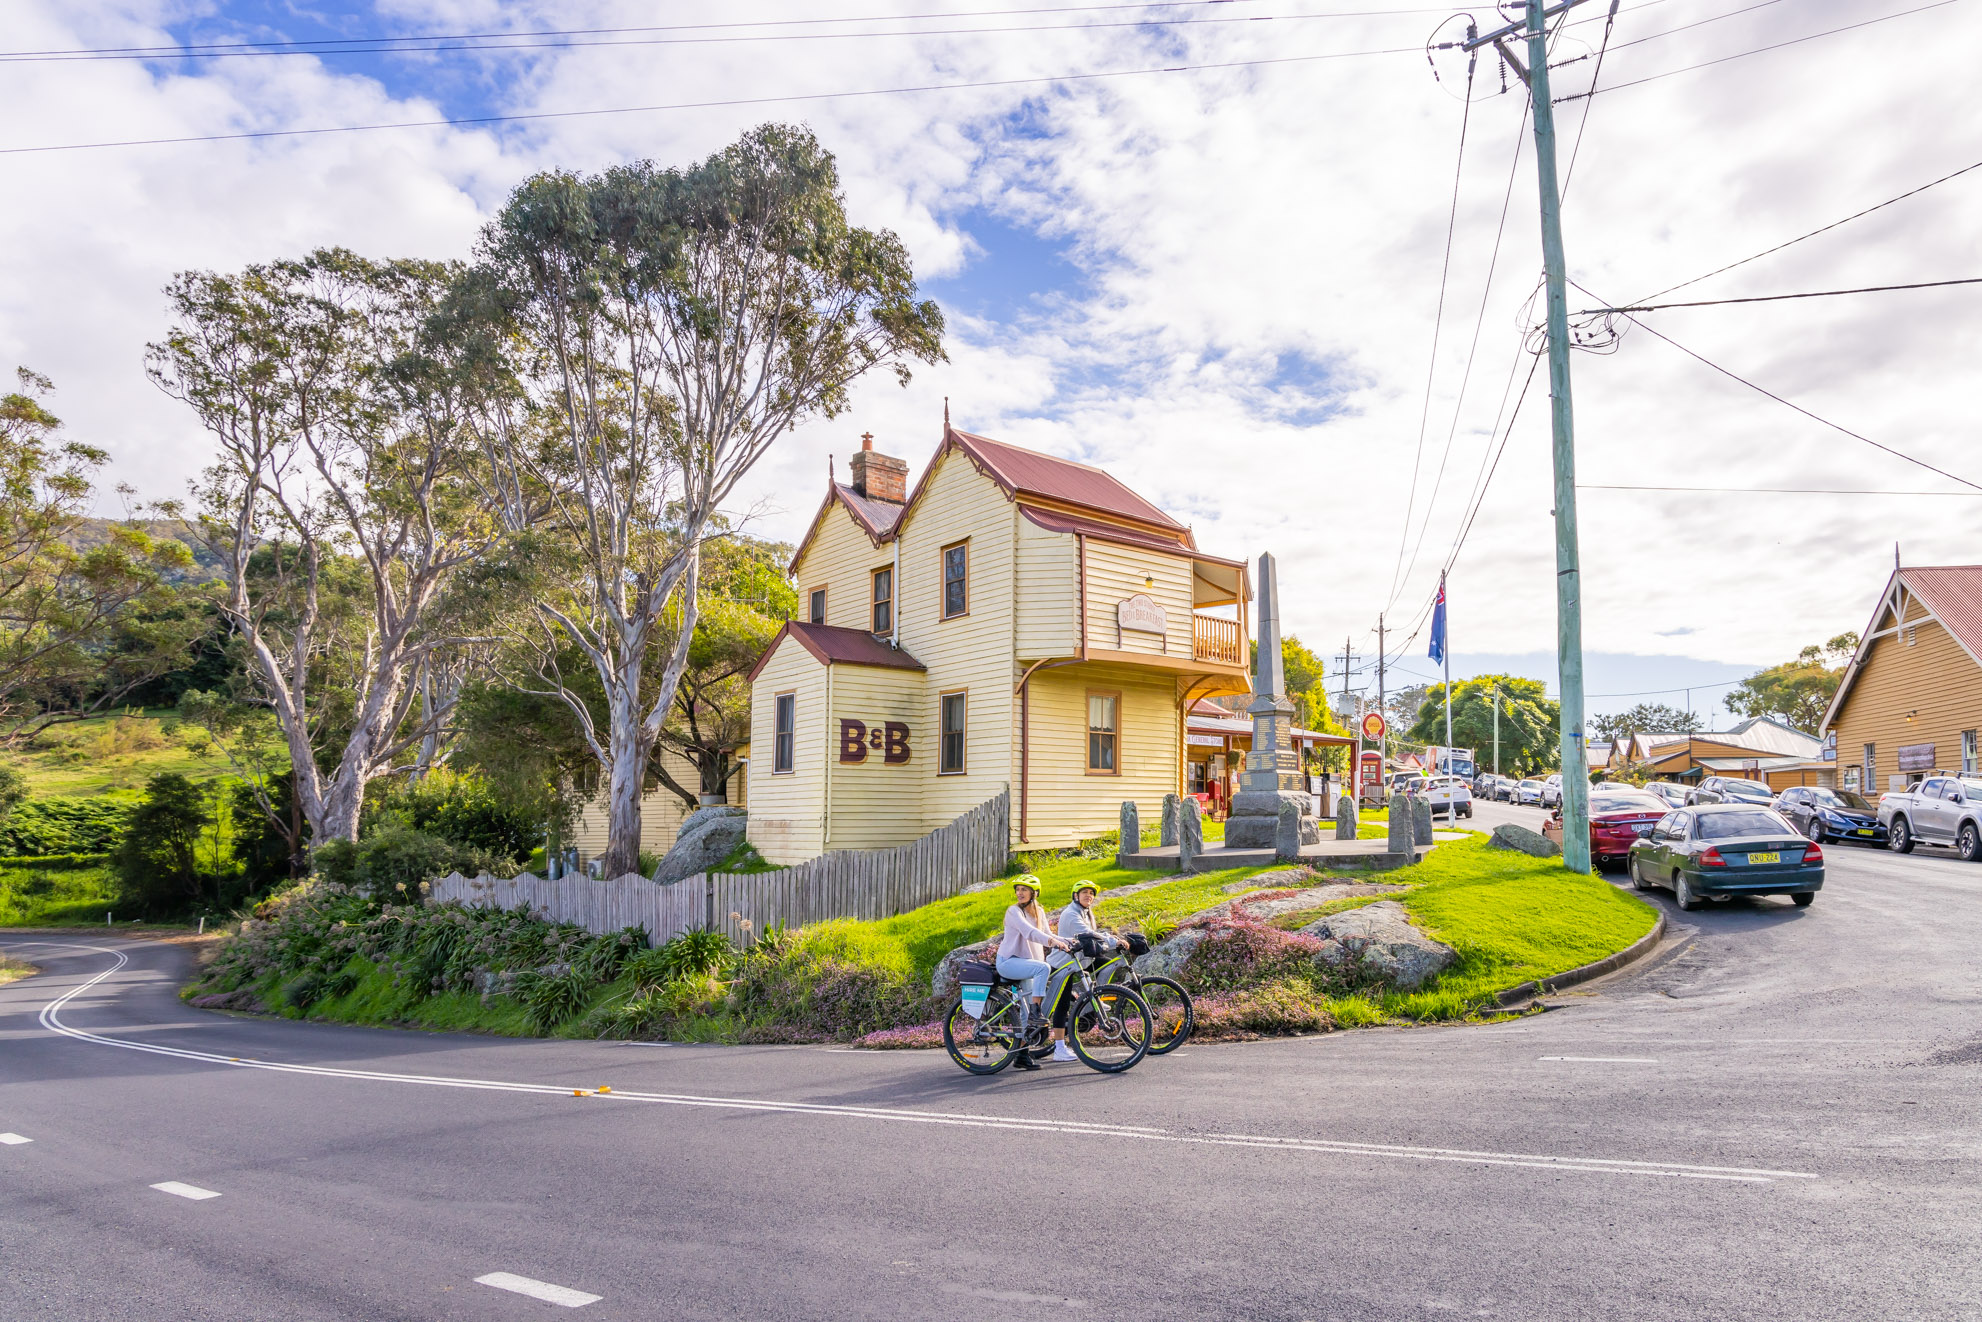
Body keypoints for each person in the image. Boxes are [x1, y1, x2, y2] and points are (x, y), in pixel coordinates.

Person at [996, 875, 1070, 1071]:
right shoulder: (1014, 911)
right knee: (1043, 968)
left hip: (1027, 964)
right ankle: (1037, 1012)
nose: (1019, 893)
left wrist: (1071, 941)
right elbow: (1028, 932)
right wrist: (1052, 943)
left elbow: (1048, 933)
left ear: (1034, 893)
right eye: (1018, 889)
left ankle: (1021, 1055)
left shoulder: (1039, 911)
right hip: (1009, 962)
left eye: (1024, 889)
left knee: (1025, 1013)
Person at [1044, 882, 1121, 1063]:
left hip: (1079, 961)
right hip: (1064, 964)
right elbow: (1088, 934)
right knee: (1062, 1005)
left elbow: (1093, 934)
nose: (1089, 896)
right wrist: (1113, 942)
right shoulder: (1071, 914)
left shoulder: (1086, 913)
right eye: (1084, 893)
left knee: (1108, 965)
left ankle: (1096, 1000)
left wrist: (1113, 939)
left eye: (1091, 893)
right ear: (1075, 896)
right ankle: (1059, 1049)